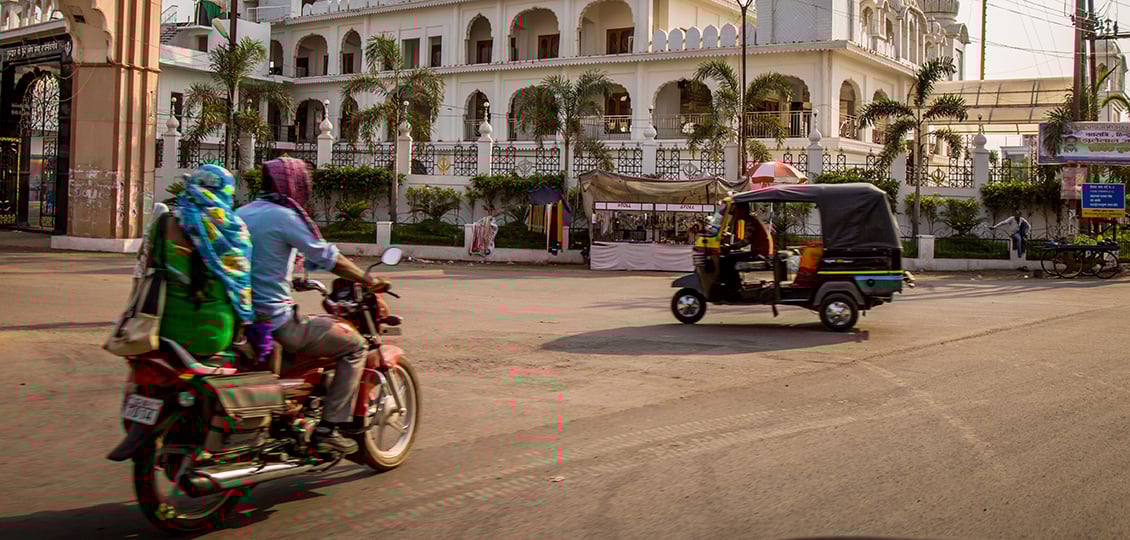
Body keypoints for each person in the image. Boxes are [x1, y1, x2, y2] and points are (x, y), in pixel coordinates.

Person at [236, 157, 385, 455]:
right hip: (277, 323)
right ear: (293, 185)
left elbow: (256, 265)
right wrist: (368, 279)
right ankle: (329, 429)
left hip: (243, 319)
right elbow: (328, 258)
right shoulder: (284, 217)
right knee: (354, 345)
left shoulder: (241, 213)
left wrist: (290, 281)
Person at [136, 165, 254, 359]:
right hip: (216, 336)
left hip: (164, 331)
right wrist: (241, 336)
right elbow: (242, 292)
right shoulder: (236, 232)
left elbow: (141, 273)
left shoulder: (163, 224)